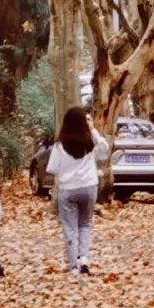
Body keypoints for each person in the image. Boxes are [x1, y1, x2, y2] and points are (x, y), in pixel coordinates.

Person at [46, 107, 109, 275]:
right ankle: (84, 259)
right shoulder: (89, 144)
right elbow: (104, 151)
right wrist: (93, 129)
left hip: (67, 189)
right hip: (89, 188)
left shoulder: (59, 146)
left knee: (69, 227)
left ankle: (74, 265)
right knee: (85, 224)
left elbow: (52, 169)